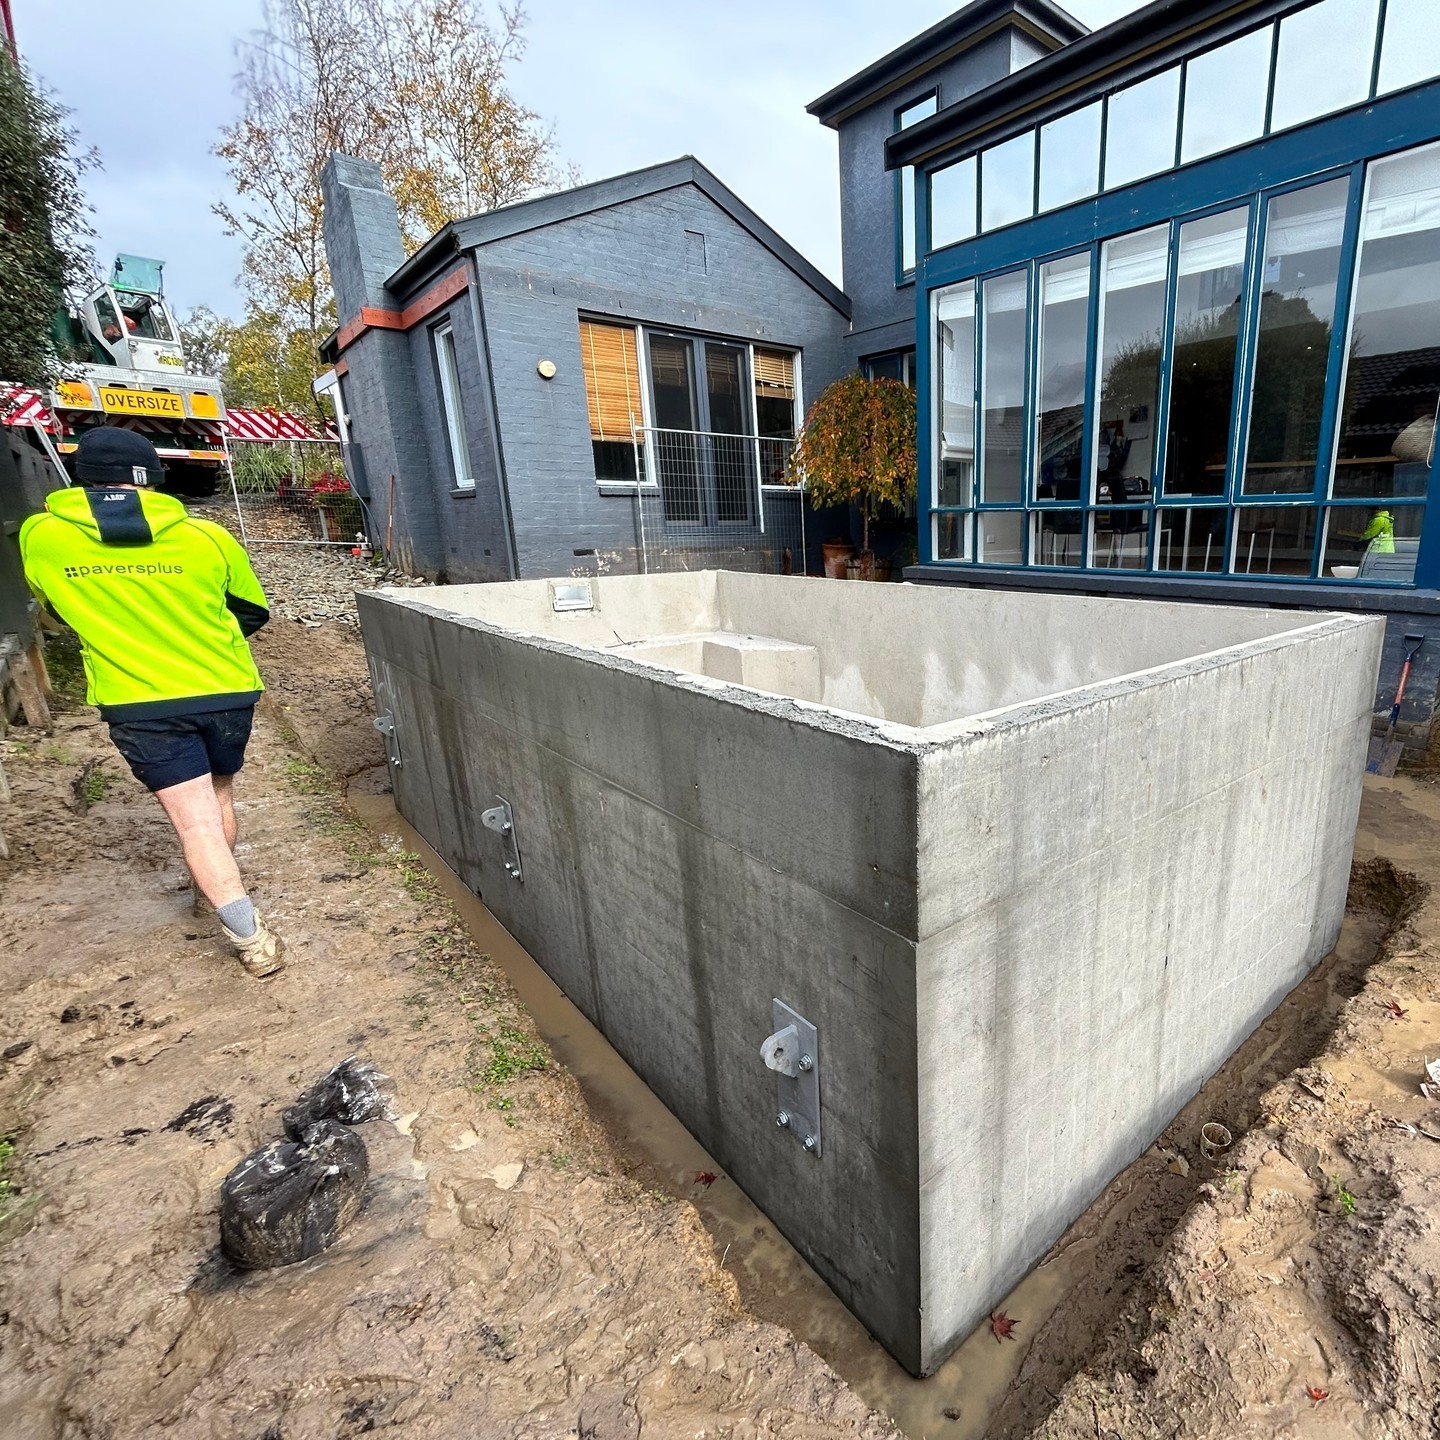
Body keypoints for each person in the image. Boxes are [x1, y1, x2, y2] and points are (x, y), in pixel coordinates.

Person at [19, 427, 285, 977]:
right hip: (224, 688)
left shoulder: (42, 535)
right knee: (219, 799)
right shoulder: (206, 537)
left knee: (195, 826)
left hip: (138, 699)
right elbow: (252, 611)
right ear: (156, 478)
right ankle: (214, 890)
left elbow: (50, 607)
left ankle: (251, 939)